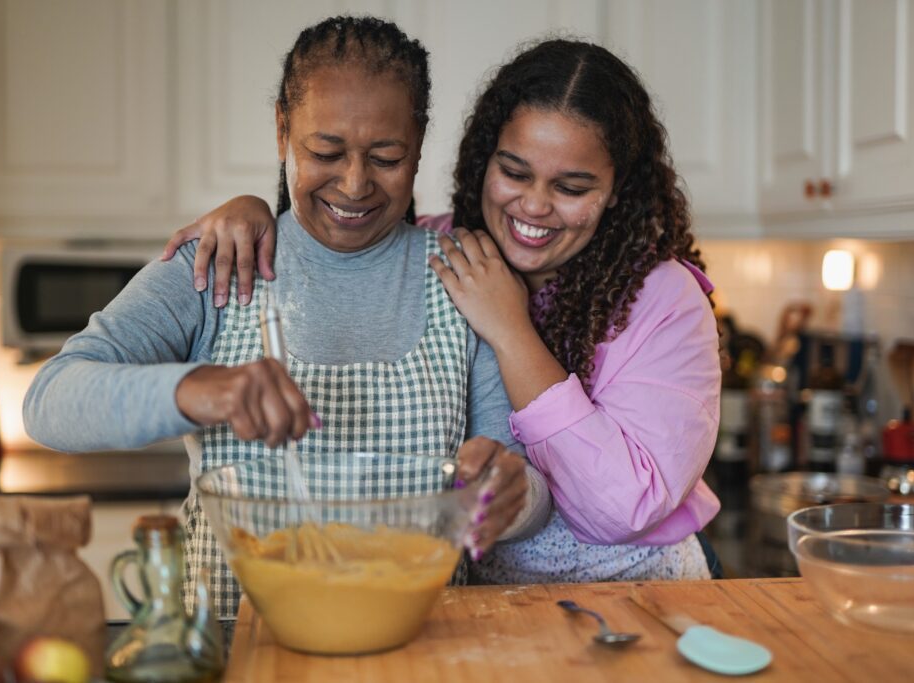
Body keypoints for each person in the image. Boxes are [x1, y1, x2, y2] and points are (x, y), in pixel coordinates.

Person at [24, 16, 550, 617]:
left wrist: (509, 494)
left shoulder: (466, 279)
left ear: (419, 141)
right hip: (237, 646)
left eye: (386, 156)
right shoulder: (219, 265)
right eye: (325, 152)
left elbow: (526, 491)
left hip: (418, 645)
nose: (354, 184)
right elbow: (50, 401)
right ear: (281, 129)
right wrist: (199, 388)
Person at [164, 39, 723, 583]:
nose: (533, 205)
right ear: (484, 159)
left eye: (571, 187)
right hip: (479, 604)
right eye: (515, 171)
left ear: (617, 189)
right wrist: (253, 211)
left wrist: (510, 329)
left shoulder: (667, 301)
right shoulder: (436, 250)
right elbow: (332, 229)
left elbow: (619, 510)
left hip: (639, 594)